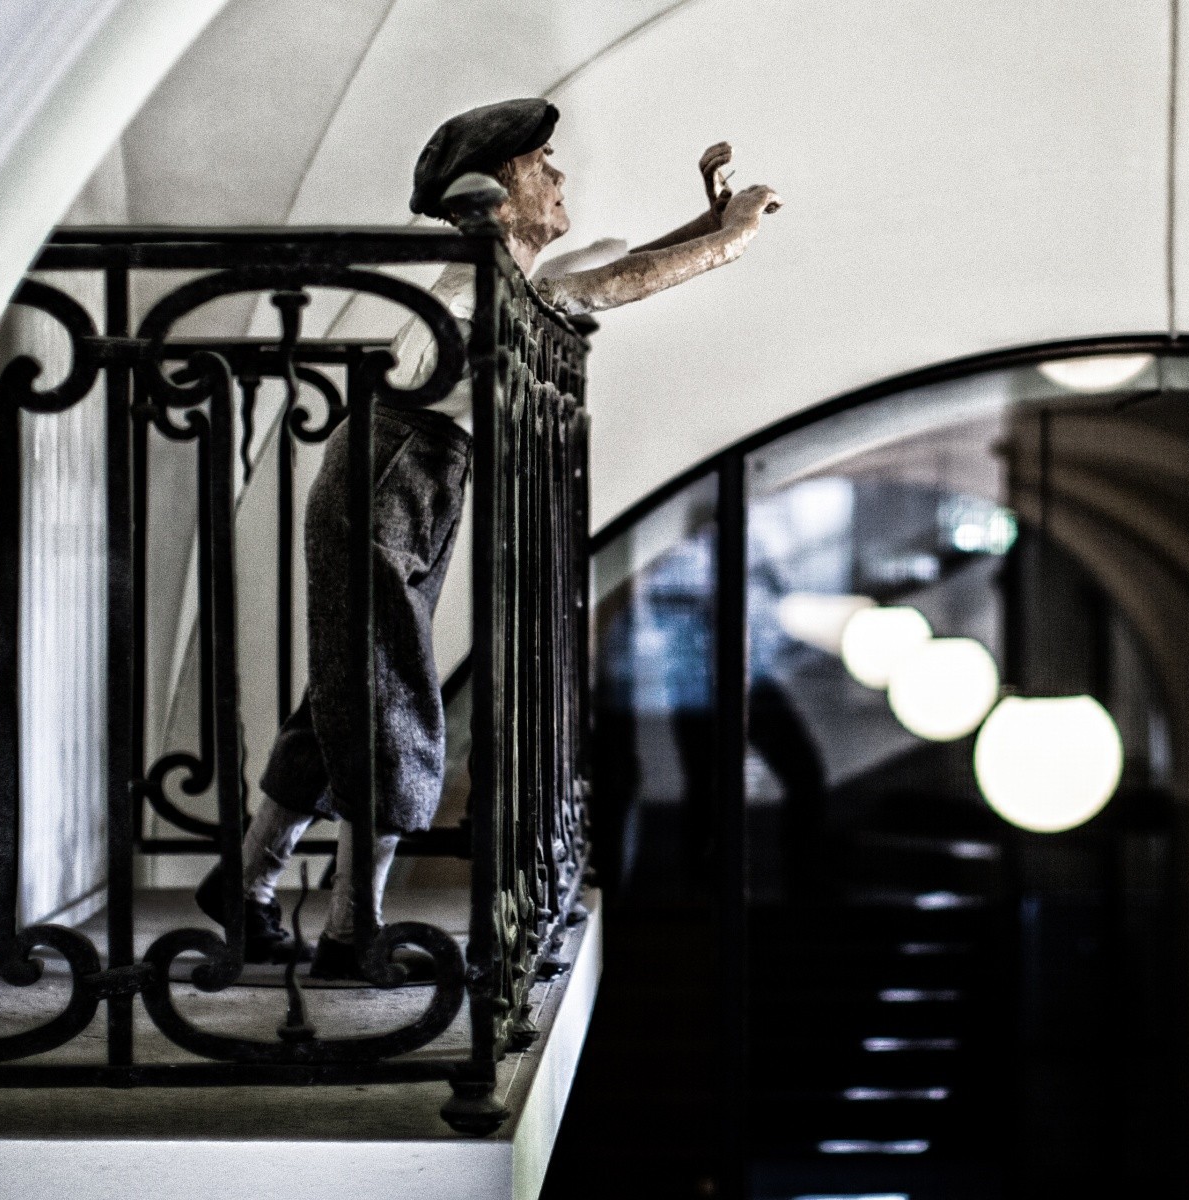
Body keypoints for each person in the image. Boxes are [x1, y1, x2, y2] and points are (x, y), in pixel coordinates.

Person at [198, 97, 782, 972]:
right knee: (385, 696)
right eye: (542, 160)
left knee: (346, 692)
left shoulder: (511, 275)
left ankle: (248, 884)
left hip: (412, 477)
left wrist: (710, 216)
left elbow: (619, 266)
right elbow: (606, 288)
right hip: (393, 476)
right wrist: (730, 238)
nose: (558, 174)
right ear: (494, 190)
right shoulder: (485, 284)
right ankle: (353, 930)